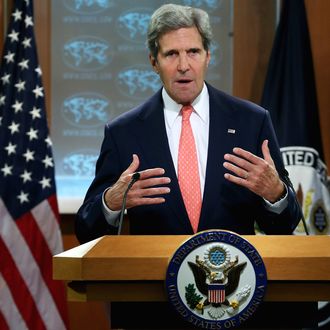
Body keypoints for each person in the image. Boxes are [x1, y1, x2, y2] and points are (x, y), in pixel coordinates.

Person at [75, 4, 302, 244]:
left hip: (233, 275)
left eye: (193, 51)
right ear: (154, 62)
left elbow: (286, 225)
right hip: (153, 277)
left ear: (208, 56)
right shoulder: (123, 133)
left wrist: (275, 194)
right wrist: (111, 202)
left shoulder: (252, 122)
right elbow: (86, 231)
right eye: (171, 54)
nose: (184, 65)